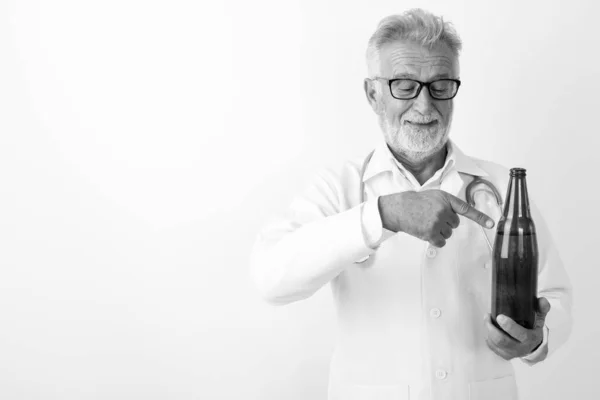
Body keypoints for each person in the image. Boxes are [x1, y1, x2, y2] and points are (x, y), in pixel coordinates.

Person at [249, 8, 573, 400]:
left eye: (440, 85)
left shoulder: (502, 186)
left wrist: (535, 339)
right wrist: (383, 215)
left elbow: (555, 296)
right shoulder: (340, 187)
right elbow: (271, 278)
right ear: (373, 94)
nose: (424, 105)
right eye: (404, 85)